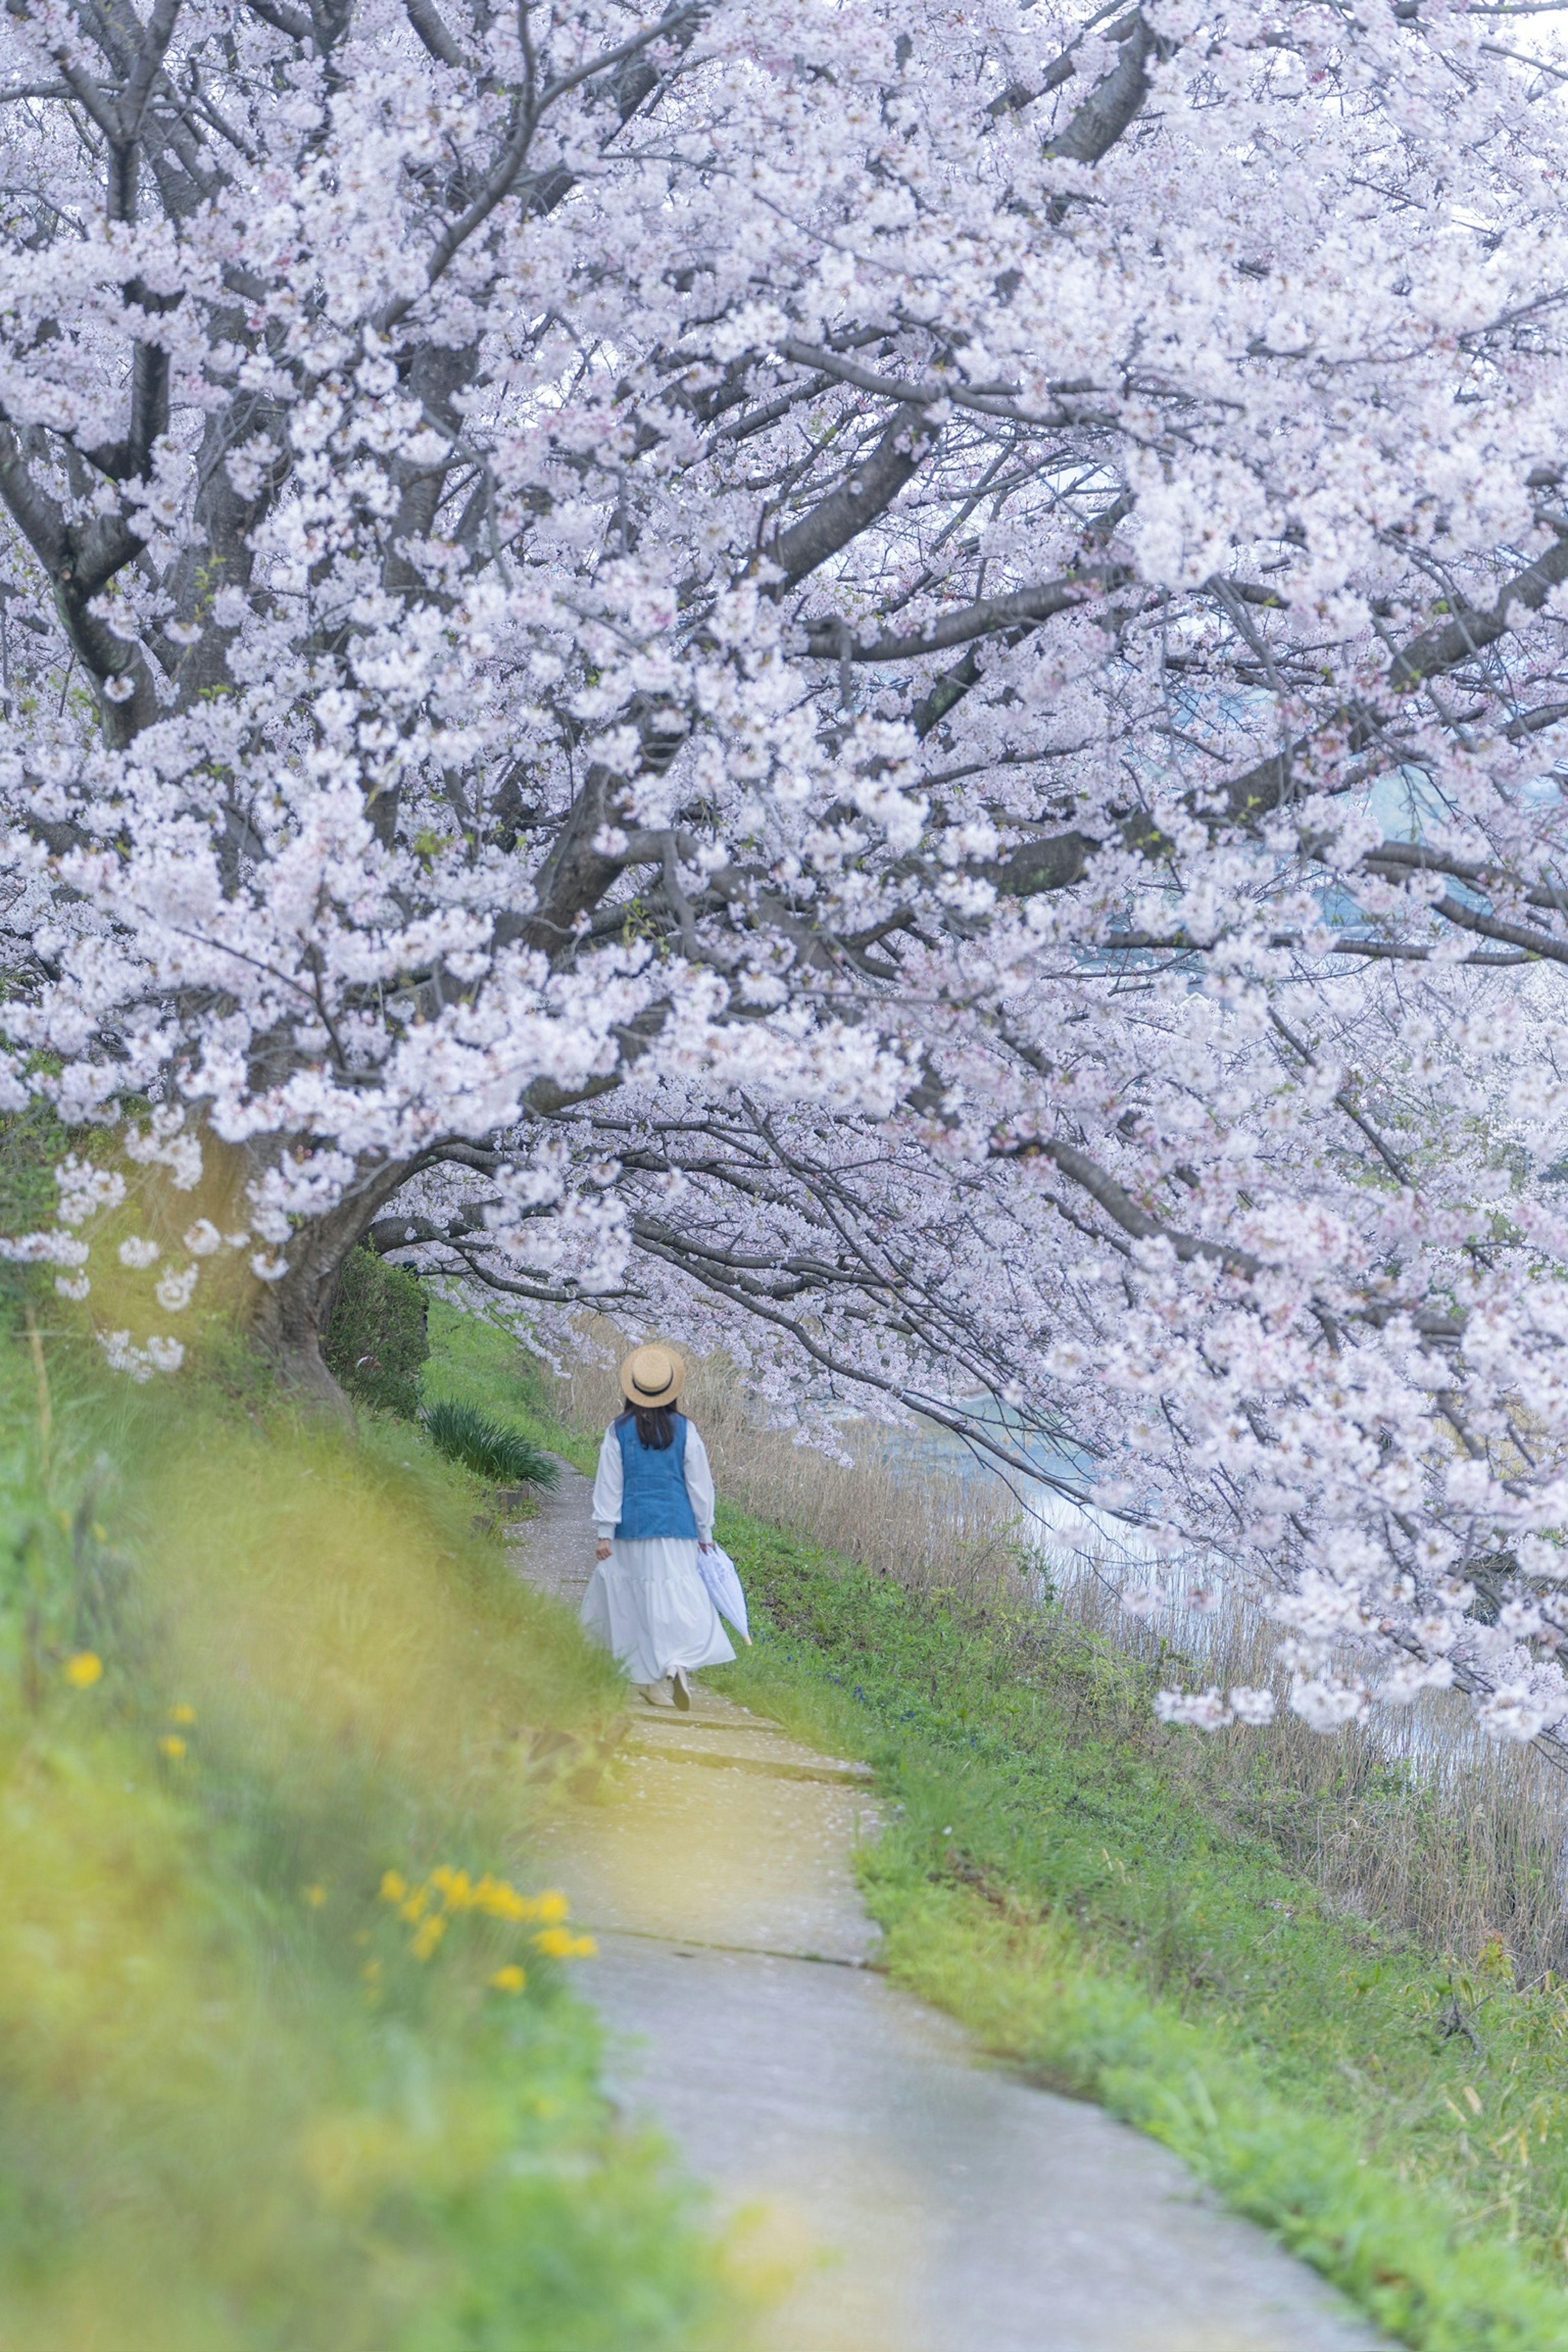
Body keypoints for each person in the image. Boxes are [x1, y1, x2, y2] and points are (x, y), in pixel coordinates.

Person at [581, 1344, 735, 1710]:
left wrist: (605, 1532)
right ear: (671, 1391)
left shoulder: (619, 1431)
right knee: (679, 1598)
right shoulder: (685, 1430)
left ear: (631, 1388)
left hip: (630, 1531)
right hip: (677, 1530)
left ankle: (651, 1680)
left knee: (635, 1604)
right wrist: (705, 1534)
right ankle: (676, 1662)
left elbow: (610, 1483)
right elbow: (700, 1487)